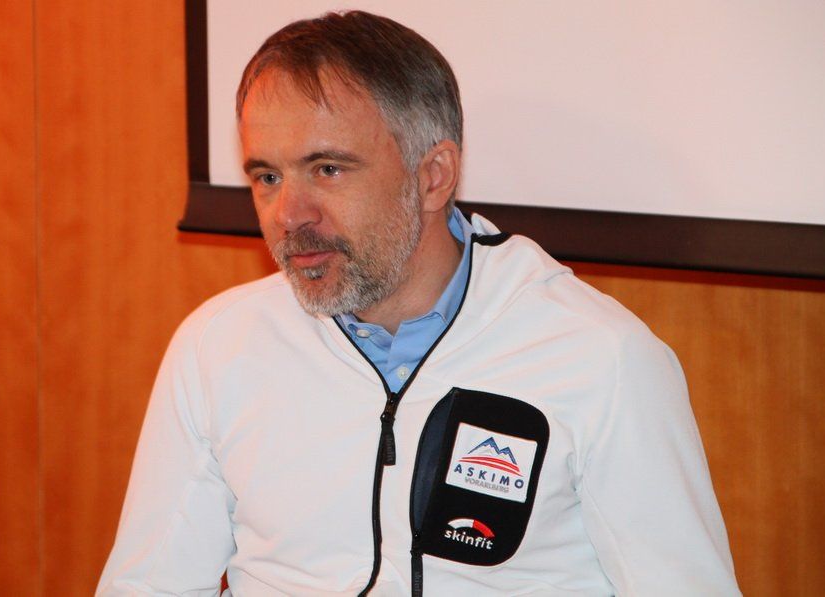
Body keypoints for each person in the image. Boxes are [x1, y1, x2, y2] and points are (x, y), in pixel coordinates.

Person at [98, 11, 740, 596]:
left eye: (328, 169)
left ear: (433, 176)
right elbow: (149, 586)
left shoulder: (599, 358)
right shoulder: (219, 345)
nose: (289, 214)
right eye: (268, 176)